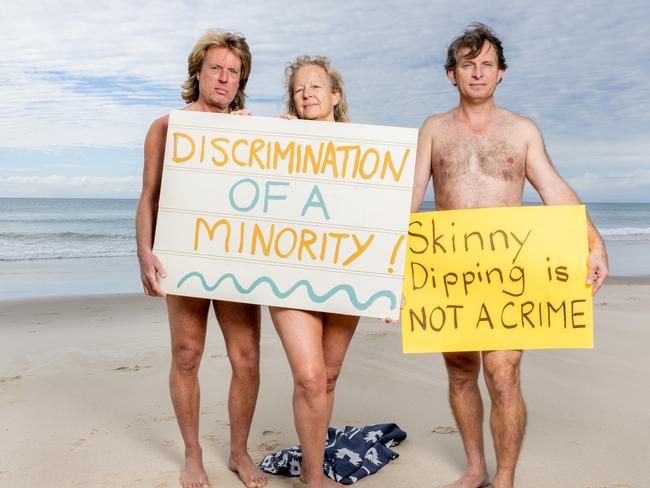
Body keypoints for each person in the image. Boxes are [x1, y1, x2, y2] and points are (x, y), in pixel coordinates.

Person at [410, 23, 608, 488]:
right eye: (467, 64)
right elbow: (412, 197)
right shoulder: (434, 130)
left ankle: (504, 475)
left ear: (501, 73)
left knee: (502, 375)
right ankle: (475, 466)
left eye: (486, 65)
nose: (477, 73)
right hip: (448, 270)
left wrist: (593, 240)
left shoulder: (521, 131)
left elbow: (554, 189)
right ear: (451, 74)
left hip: (508, 273)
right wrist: (388, 266)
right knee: (461, 372)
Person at [135, 29, 267, 488]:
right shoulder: (167, 126)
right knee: (187, 355)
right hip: (184, 256)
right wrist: (144, 254)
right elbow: (148, 198)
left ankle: (238, 452)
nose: (224, 78)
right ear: (198, 72)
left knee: (246, 358)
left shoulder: (251, 128)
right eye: (217, 68)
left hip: (234, 257)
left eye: (234, 72)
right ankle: (192, 455)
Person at [269, 55, 358, 488]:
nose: (306, 93)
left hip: (344, 272)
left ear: (335, 96)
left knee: (329, 376)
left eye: (316, 86)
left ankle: (315, 455)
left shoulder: (365, 151)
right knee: (309, 377)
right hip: (290, 271)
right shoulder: (276, 141)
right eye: (299, 88)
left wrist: (385, 283)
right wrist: (259, 137)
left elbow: (377, 219)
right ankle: (312, 477)